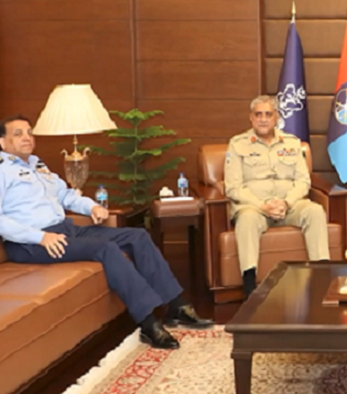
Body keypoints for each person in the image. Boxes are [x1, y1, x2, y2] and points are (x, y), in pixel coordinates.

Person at [0, 115, 212, 350]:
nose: (27, 138)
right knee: (105, 248)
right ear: (2, 142)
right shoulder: (3, 171)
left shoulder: (37, 165)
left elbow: (66, 195)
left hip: (63, 230)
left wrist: (92, 206)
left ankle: (176, 305)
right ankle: (148, 323)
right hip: (32, 243)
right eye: (18, 134)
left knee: (136, 236)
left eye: (29, 132)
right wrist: (40, 237)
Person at [225, 95, 329, 298]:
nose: (263, 119)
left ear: (276, 118)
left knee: (315, 211)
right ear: (251, 118)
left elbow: (303, 181)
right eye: (258, 115)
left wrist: (286, 202)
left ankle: (321, 278)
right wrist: (262, 205)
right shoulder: (237, 145)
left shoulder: (292, 143)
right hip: (254, 208)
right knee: (245, 219)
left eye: (268, 114)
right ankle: (249, 285)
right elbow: (233, 188)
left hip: (289, 205)